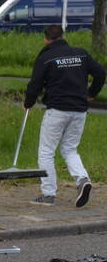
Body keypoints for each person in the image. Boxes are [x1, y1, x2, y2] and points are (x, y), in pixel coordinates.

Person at [24, 24, 105, 207]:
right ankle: (82, 179)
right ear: (63, 36)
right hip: (79, 110)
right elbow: (100, 73)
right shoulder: (81, 54)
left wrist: (28, 103)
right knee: (69, 149)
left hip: (57, 110)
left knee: (46, 152)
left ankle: (48, 195)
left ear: (46, 39)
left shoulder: (45, 57)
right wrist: (92, 93)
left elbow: (35, 84)